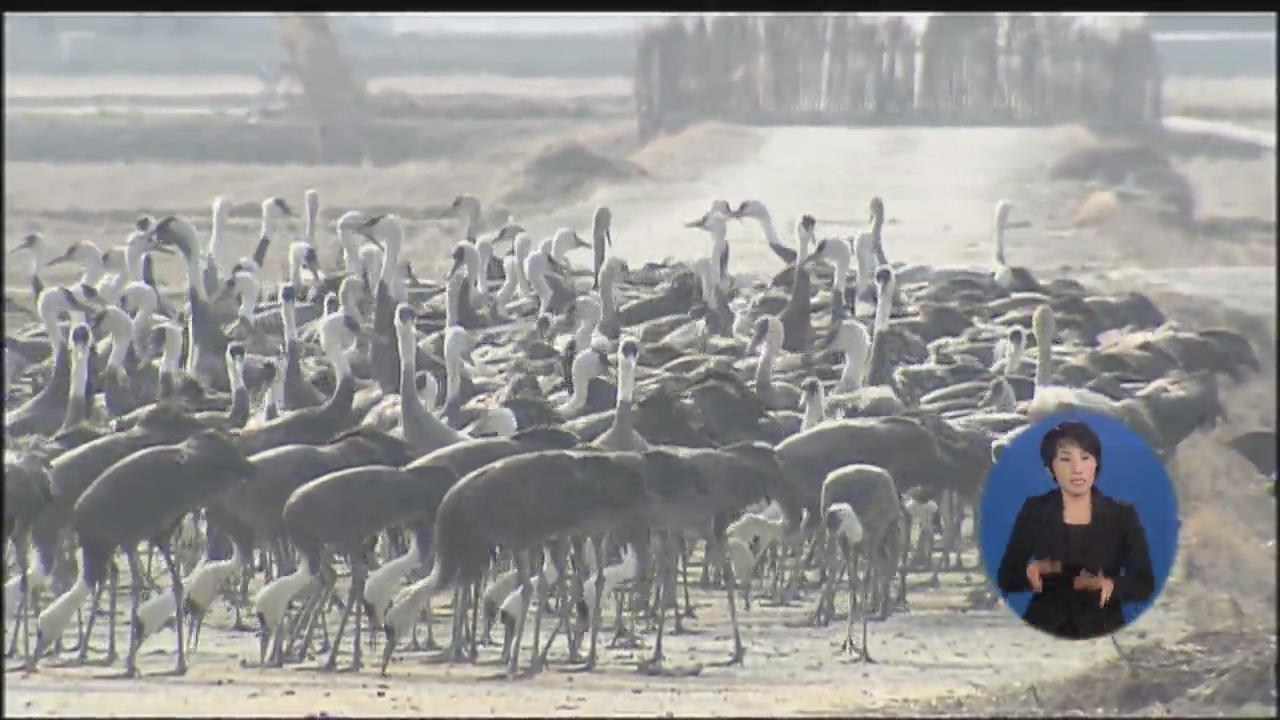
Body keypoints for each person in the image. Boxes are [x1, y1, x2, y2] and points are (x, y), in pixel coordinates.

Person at [997, 420, 1155, 639]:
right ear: (1049, 468)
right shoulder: (1034, 510)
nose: (1077, 469)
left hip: (1103, 624)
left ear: (1096, 464)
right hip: (1044, 626)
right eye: (1065, 459)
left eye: (1085, 458)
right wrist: (1032, 572)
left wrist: (1111, 585)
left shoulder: (1121, 514)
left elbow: (1144, 583)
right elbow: (1006, 577)